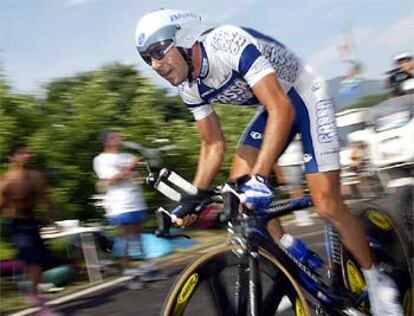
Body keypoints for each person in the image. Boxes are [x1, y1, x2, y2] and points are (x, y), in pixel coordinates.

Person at [134, 8, 402, 315]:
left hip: (303, 96)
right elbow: (212, 144)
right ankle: (290, 259)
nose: (155, 65)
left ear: (185, 38)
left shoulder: (227, 44)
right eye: (147, 58)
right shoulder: (187, 86)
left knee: (326, 205)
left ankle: (376, 278)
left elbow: (281, 108)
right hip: (274, 108)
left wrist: (260, 177)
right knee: (239, 197)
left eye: (158, 51)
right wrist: (191, 199)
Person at [0, 143, 58, 314]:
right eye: (21, 153)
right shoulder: (6, 180)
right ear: (11, 158)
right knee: (32, 260)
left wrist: (55, 218)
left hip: (32, 223)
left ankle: (33, 294)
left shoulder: (36, 177)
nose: (26, 155)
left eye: (27, 153)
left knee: (39, 262)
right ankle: (37, 301)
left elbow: (46, 199)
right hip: (16, 224)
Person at [93, 131, 149, 290]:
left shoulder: (127, 156)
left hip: (136, 199)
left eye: (119, 136)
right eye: (114, 137)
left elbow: (137, 175)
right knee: (125, 238)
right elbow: (109, 181)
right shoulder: (100, 160)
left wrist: (136, 167)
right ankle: (129, 272)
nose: (119, 139)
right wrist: (128, 169)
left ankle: (144, 268)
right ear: (106, 142)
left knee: (138, 236)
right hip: (120, 203)